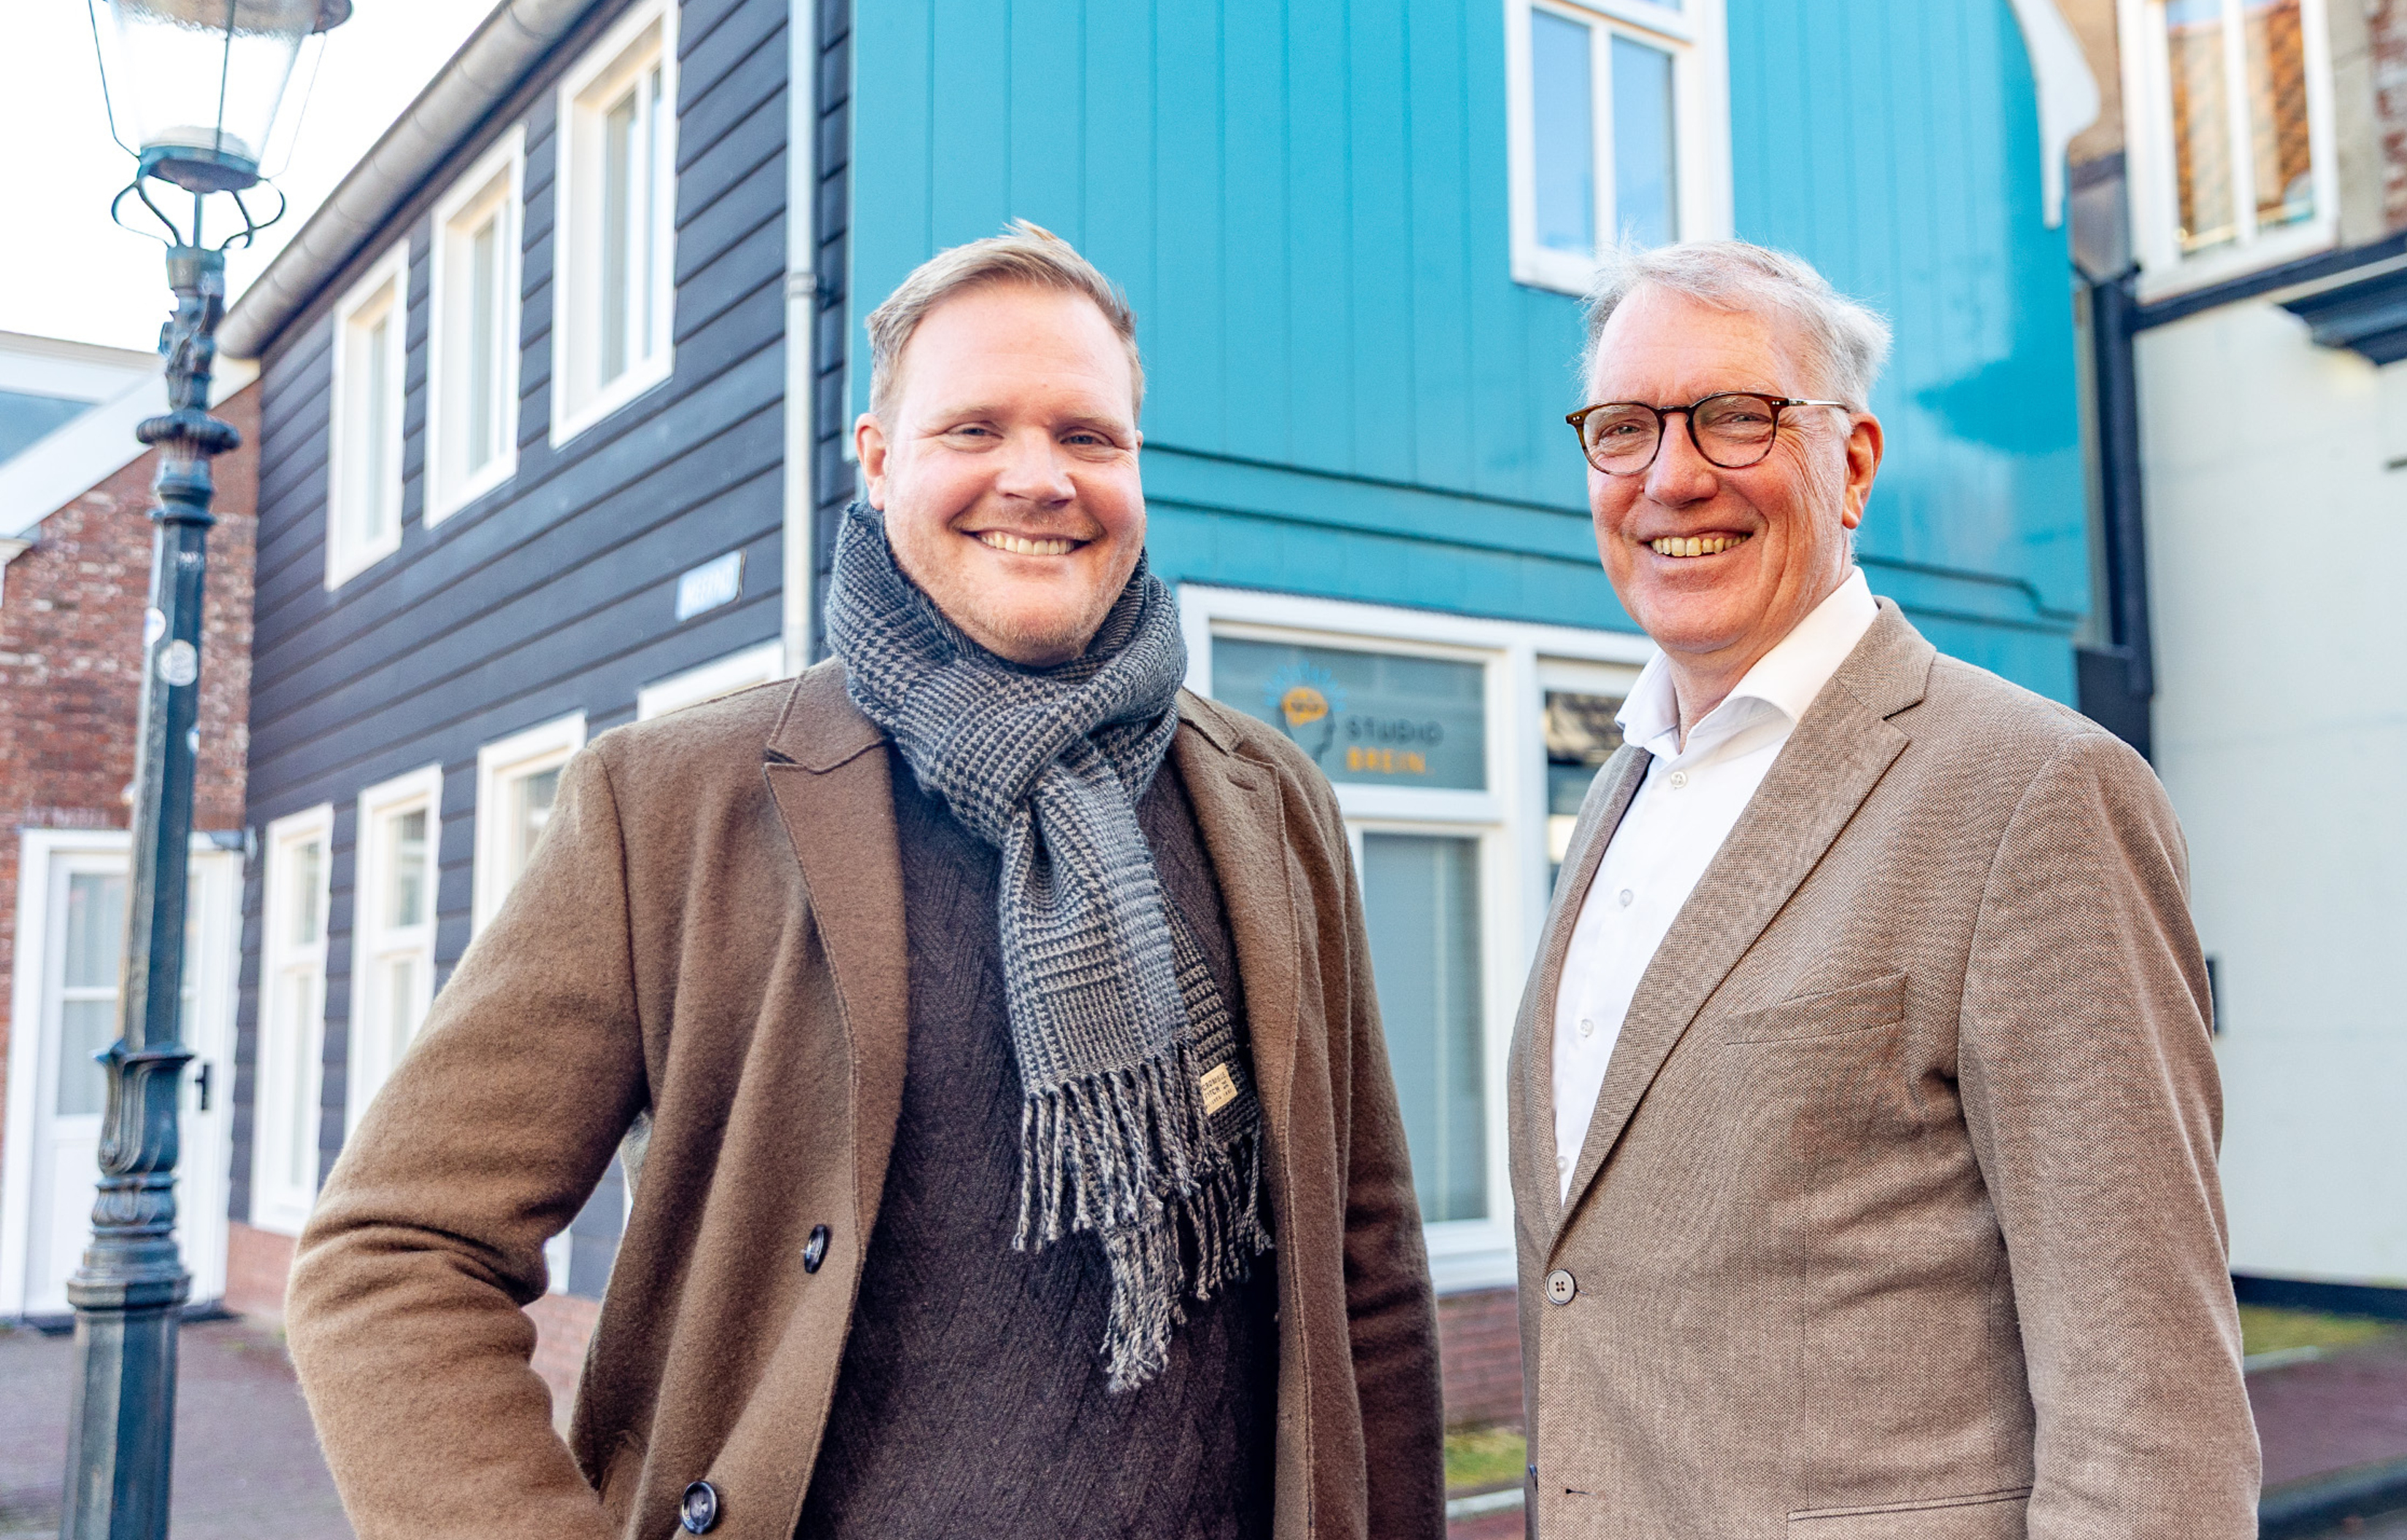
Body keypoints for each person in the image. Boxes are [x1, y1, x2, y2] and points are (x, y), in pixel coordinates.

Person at [288, 223, 1444, 1540]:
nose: (1040, 477)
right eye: (974, 430)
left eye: (1089, 436)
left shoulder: (1268, 798)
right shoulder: (675, 801)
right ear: (880, 459)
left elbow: (1368, 1271)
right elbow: (392, 1258)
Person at [1510, 239, 2260, 1538]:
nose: (1670, 475)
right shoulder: (1617, 795)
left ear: (1850, 464)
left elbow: (2152, 1408)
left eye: (1736, 418)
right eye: (1623, 428)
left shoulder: (2036, 792)